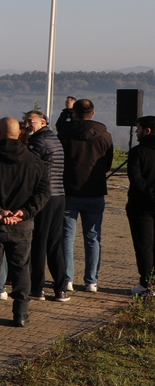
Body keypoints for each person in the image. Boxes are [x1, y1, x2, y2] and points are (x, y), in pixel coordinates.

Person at [0, 118, 48, 327]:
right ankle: (20, 314)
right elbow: (43, 193)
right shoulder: (34, 161)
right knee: (21, 267)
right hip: (22, 226)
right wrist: (23, 212)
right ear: (19, 133)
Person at [59, 98, 114, 292]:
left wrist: (66, 112)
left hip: (69, 190)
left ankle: (67, 279)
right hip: (95, 190)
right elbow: (107, 164)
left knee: (67, 237)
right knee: (93, 238)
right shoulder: (105, 136)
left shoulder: (65, 134)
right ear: (94, 113)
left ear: (74, 114)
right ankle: (91, 280)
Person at [23, 111, 70, 301]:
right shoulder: (54, 139)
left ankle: (37, 287)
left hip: (45, 196)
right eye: (25, 121)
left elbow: (30, 168)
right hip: (59, 195)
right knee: (54, 244)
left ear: (42, 122)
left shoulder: (38, 142)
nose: (26, 125)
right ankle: (61, 287)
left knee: (39, 243)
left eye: (30, 121)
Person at [126, 116, 155, 295]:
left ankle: (147, 284)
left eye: (138, 129)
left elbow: (135, 179)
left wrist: (150, 192)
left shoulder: (138, 151)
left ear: (147, 130)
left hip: (141, 205)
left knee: (144, 245)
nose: (136, 132)